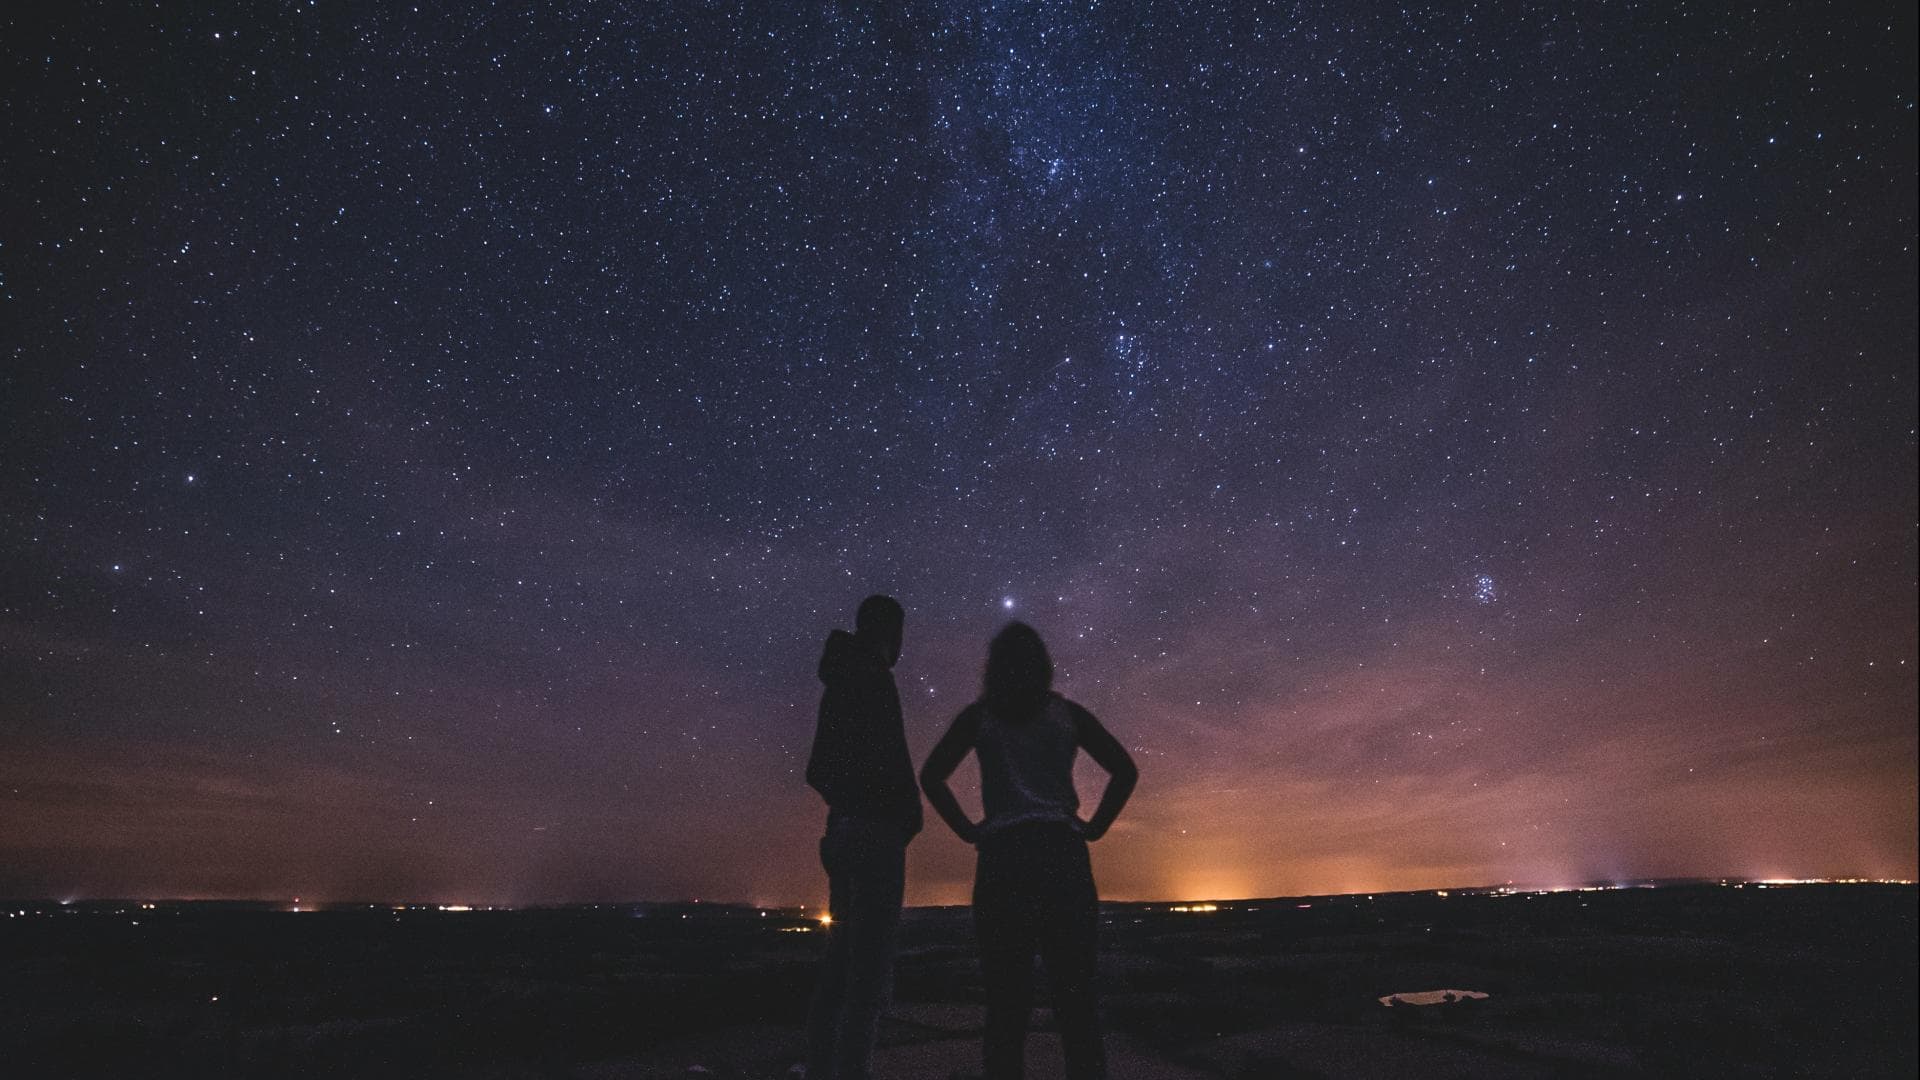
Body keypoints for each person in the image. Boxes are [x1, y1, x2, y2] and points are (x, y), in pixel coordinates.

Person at [920, 621, 1138, 1080]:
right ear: (1043, 666)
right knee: (1076, 999)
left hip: (1003, 858)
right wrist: (1095, 827)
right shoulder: (1068, 715)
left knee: (1006, 1003)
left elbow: (932, 775)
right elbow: (1124, 770)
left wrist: (967, 829)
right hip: (1062, 855)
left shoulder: (979, 717)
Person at [803, 594, 923, 1080]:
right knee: (867, 978)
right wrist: (901, 814)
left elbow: (818, 769)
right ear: (888, 632)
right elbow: (890, 763)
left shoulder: (841, 679)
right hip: (873, 835)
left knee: (840, 969)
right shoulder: (873, 679)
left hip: (845, 830)